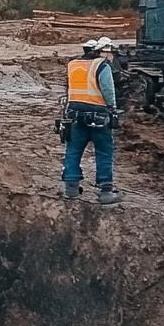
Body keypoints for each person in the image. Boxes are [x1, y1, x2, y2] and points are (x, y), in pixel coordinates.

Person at [61, 39, 124, 204]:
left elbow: (68, 88)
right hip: (98, 115)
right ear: (101, 51)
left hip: (74, 114)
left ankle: (71, 189)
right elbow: (108, 89)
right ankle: (105, 191)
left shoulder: (73, 64)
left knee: (73, 150)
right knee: (104, 151)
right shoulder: (101, 66)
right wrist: (113, 109)